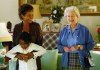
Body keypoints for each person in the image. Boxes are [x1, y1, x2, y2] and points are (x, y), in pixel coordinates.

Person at [13, 4, 43, 70]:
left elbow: (40, 44)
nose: (31, 17)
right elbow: (14, 45)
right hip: (21, 61)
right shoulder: (17, 27)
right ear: (22, 15)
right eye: (29, 15)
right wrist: (20, 55)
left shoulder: (36, 26)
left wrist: (32, 54)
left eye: (32, 15)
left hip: (34, 60)